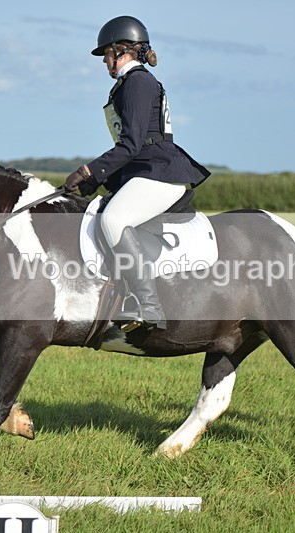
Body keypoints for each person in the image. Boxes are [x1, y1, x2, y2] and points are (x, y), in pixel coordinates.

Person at [65, 15, 211, 331]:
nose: (104, 60)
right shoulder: (130, 85)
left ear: (123, 50)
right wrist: (95, 180)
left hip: (159, 172)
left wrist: (89, 170)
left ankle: (148, 305)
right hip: (146, 171)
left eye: (106, 53)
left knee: (113, 220)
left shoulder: (138, 83)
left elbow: (131, 145)